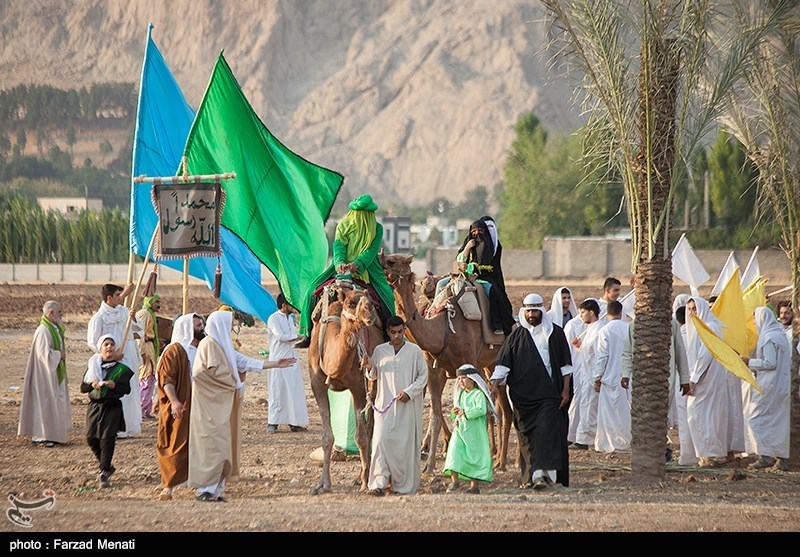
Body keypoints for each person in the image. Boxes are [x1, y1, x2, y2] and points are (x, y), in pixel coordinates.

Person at [189, 310, 295, 502]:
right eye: (229, 325)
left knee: (225, 445)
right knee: (212, 445)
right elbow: (202, 375)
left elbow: (243, 362)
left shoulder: (223, 346)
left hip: (222, 404)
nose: (231, 328)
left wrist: (274, 364)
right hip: (209, 406)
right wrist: (233, 383)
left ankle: (216, 490)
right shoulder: (208, 345)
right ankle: (204, 489)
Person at [491, 293, 573, 490]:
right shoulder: (516, 337)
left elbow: (566, 366)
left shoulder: (555, 333)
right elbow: (503, 365)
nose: (531, 314)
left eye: (535, 310)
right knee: (527, 437)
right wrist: (494, 384)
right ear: (524, 311)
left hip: (549, 394)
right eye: (528, 311)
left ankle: (547, 476)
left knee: (547, 432)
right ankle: (533, 476)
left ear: (541, 311)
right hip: (523, 397)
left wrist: (565, 390)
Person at [297, 194, 395, 346]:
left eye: (366, 213)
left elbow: (370, 251)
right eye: (359, 213)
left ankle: (390, 333)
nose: (362, 217)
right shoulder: (343, 225)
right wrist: (341, 263)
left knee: (387, 295)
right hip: (341, 268)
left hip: (368, 269)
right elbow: (338, 246)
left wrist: (358, 264)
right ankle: (307, 333)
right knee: (311, 291)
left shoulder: (377, 228)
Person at [363, 316, 429, 496]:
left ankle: (402, 486)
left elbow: (423, 377)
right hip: (384, 404)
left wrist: (410, 392)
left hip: (407, 407)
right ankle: (378, 483)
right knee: (380, 441)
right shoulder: (380, 350)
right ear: (388, 332)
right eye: (393, 333)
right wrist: (369, 366)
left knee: (404, 446)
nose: (397, 336)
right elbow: (373, 375)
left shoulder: (414, 351)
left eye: (400, 332)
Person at [621, 294, 690, 462]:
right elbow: (627, 352)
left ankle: (663, 448)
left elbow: (680, 350)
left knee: (661, 412)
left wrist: (684, 378)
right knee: (644, 413)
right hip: (642, 379)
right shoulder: (635, 325)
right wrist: (625, 374)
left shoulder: (670, 323)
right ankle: (645, 448)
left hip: (665, 378)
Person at [155, 313, 205, 501]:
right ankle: (168, 485)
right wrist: (175, 401)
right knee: (174, 442)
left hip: (197, 405)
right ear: (187, 328)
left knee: (196, 443)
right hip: (179, 405)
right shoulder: (174, 351)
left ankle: (193, 479)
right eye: (198, 325)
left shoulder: (200, 349)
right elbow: (167, 380)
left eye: (202, 324)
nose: (202, 328)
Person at [87, 283, 142, 438]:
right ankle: (116, 427)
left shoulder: (124, 311)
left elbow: (140, 328)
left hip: (129, 354)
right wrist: (109, 353)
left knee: (130, 388)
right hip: (112, 360)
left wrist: (133, 319)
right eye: (118, 295)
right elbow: (92, 341)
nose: (121, 297)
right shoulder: (99, 318)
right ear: (109, 298)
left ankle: (131, 426)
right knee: (116, 390)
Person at [80, 334, 133, 489]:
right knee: (91, 438)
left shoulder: (121, 369)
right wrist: (93, 385)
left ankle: (104, 472)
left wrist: (114, 386)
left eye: (111, 344)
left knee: (107, 438)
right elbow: (83, 388)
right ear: (100, 348)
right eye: (106, 345)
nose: (109, 347)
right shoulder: (92, 367)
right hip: (95, 407)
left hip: (112, 406)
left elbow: (127, 389)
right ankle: (107, 466)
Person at [741, 307, 791, 471]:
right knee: (777, 421)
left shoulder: (769, 337)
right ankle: (781, 458)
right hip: (779, 386)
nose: (755, 323)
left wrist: (749, 362)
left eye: (756, 319)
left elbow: (770, 363)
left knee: (756, 419)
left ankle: (765, 456)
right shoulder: (779, 335)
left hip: (769, 386)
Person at [18, 300, 72, 447]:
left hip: (53, 373)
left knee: (54, 404)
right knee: (45, 405)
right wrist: (59, 355)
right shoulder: (43, 330)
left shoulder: (54, 329)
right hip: (44, 375)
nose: (61, 314)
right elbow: (44, 356)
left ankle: (55, 436)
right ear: (51, 313)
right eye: (59, 312)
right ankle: (42, 436)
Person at [685, 296, 731, 468]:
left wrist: (693, 379)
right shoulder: (699, 328)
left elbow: (705, 355)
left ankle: (709, 455)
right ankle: (708, 454)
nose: (692, 313)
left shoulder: (710, 327)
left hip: (706, 379)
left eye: (695, 309)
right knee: (705, 415)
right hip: (703, 378)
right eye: (689, 309)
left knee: (699, 414)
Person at [455, 219, 515, 334]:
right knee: (442, 283)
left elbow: (487, 267)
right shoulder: (469, 244)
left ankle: (498, 324)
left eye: (480, 231)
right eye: (474, 231)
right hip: (463, 277)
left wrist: (470, 268)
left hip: (484, 278)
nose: (477, 234)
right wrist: (467, 248)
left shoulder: (492, 247)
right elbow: (459, 260)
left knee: (494, 292)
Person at [443, 364, 496, 495]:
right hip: (460, 430)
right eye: (459, 379)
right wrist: (454, 412)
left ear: (472, 379)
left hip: (474, 432)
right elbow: (455, 413)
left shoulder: (478, 394)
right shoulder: (460, 395)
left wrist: (464, 412)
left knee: (474, 457)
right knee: (454, 453)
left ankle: (474, 486)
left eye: (463, 378)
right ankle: (454, 482)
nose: (460, 381)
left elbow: (481, 410)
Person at [266, 293, 308, 433]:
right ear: (284, 305)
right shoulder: (273, 318)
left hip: (292, 359)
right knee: (277, 390)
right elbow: (280, 336)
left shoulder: (290, 319)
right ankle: (273, 422)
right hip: (278, 360)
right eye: (290, 304)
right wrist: (298, 336)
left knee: (293, 391)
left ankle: (294, 423)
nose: (293, 307)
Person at [592, 300, 631, 453]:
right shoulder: (628, 328)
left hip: (609, 376)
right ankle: (625, 441)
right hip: (627, 376)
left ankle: (610, 443)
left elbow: (602, 356)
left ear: (607, 314)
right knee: (625, 410)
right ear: (621, 313)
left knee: (609, 413)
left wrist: (597, 377)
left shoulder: (605, 331)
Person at [572, 298, 601, 450]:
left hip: (592, 378)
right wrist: (580, 347)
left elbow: (598, 356)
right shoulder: (590, 330)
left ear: (591, 313)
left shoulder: (597, 331)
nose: (581, 316)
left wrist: (597, 378)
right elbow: (588, 353)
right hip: (585, 377)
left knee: (591, 408)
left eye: (583, 313)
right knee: (585, 406)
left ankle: (587, 440)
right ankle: (583, 438)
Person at [136, 293, 162, 420]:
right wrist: (141, 353)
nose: (159, 305)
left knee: (150, 380)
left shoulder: (150, 314)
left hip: (150, 348)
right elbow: (139, 334)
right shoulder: (144, 314)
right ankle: (140, 410)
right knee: (146, 380)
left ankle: (146, 410)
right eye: (156, 302)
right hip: (145, 349)